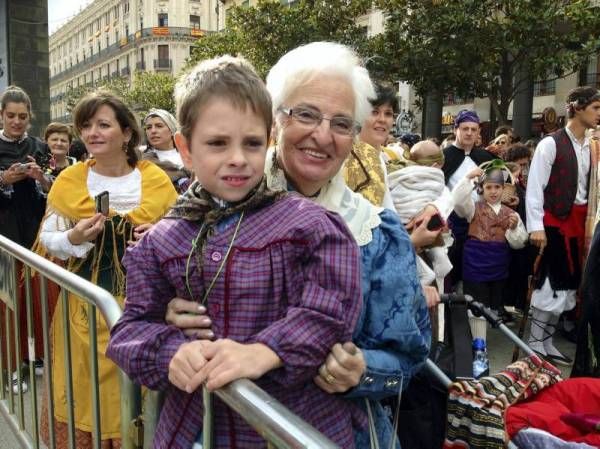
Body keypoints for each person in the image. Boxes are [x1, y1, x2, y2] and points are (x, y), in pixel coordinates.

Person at [165, 42, 431, 449]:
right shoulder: (210, 203)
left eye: (342, 123)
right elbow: (147, 297)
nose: (322, 136)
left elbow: (408, 357)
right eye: (305, 114)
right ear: (275, 121)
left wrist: (362, 370)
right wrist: (168, 309)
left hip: (333, 433)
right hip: (217, 426)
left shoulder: (376, 233)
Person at [107, 55, 363, 449]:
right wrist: (171, 353)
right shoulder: (160, 240)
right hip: (194, 426)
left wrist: (266, 350)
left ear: (269, 139)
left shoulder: (310, 226)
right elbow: (130, 330)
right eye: (217, 143)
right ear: (185, 148)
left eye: (252, 143)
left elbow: (330, 311)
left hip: (290, 424)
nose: (238, 158)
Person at [37, 91, 178, 449]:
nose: (93, 133)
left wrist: (160, 235)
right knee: (86, 393)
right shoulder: (70, 179)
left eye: (103, 124)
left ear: (127, 133)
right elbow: (49, 239)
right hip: (83, 308)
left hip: (145, 308)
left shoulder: (156, 181)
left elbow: (180, 234)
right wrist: (75, 235)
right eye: (86, 126)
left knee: (138, 392)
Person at [525, 86, 600, 366]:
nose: (599, 114)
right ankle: (534, 342)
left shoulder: (592, 146)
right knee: (550, 284)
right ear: (578, 108)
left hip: (581, 222)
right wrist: (536, 226)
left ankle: (546, 341)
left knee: (569, 286)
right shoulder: (550, 144)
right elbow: (535, 189)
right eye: (595, 108)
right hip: (554, 222)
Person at [0, 85, 52, 393]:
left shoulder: (39, 146)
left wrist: (40, 177)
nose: (17, 122)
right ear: (1, 115)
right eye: (11, 116)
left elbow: (52, 189)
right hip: (4, 237)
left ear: (29, 117)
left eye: (22, 116)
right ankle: (11, 366)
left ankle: (35, 357)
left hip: (36, 236)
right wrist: (3, 179)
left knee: (36, 302)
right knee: (9, 307)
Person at [453, 164, 528, 340]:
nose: (493, 191)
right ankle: (478, 342)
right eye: (488, 187)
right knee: (476, 305)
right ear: (481, 189)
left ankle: (481, 339)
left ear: (504, 189)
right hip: (475, 262)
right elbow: (456, 201)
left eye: (497, 187)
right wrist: (467, 178)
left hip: (498, 264)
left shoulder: (511, 214)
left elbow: (519, 243)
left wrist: (514, 227)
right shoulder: (472, 208)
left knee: (493, 304)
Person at [442, 110, 494, 289]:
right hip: (452, 222)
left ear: (478, 132)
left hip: (479, 223)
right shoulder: (444, 157)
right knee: (451, 269)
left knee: (475, 271)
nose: (470, 133)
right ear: (456, 129)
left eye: (474, 129)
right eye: (465, 128)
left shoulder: (485, 157)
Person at [343, 81, 397, 208]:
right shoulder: (346, 156)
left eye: (388, 113)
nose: (382, 119)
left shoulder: (392, 156)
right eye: (374, 112)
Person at [141, 108, 193, 193]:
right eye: (149, 127)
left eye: (159, 126)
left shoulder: (191, 155)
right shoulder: (144, 162)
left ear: (171, 130)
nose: (153, 131)